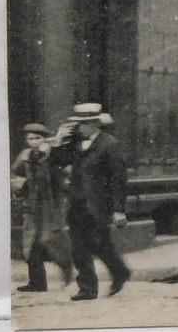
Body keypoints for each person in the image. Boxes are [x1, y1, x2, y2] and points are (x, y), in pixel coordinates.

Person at [50, 103, 130, 300]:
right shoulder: (75, 142)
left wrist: (119, 209)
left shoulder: (110, 144)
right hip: (76, 204)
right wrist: (58, 141)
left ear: (95, 123)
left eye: (84, 123)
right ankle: (87, 289)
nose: (80, 127)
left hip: (99, 206)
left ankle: (119, 271)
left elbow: (118, 180)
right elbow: (58, 161)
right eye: (78, 124)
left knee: (100, 245)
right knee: (78, 248)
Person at [10, 123, 72, 293]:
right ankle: (37, 283)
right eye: (30, 138)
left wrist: (56, 144)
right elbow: (14, 174)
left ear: (44, 139)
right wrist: (19, 183)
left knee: (51, 240)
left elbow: (62, 168)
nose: (34, 141)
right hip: (31, 206)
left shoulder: (52, 154)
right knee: (30, 244)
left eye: (37, 138)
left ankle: (67, 268)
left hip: (51, 206)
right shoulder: (25, 156)